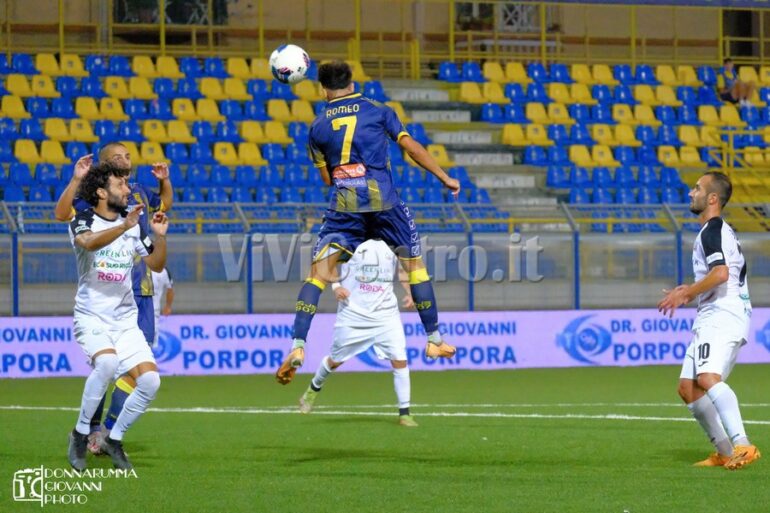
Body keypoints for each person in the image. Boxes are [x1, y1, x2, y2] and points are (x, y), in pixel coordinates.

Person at [275, 61, 461, 385]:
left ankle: (298, 345)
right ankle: (434, 339)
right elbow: (409, 147)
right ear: (352, 82)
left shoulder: (317, 127)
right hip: (385, 203)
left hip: (346, 207)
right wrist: (444, 176)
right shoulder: (379, 111)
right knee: (415, 267)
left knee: (317, 275)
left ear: (322, 88)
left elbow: (327, 179)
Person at [54, 143, 173, 454]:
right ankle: (90, 431)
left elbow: (164, 211)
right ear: (104, 167)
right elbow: (64, 215)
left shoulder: (138, 193)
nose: (126, 160)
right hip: (100, 299)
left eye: (128, 155)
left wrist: (164, 186)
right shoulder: (94, 199)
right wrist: (76, 179)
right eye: (118, 157)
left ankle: (108, 431)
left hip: (139, 292)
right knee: (106, 365)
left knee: (143, 375)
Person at [658, 171, 759, 470]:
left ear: (712, 198)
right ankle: (726, 452)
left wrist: (687, 293)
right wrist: (689, 290)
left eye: (697, 188)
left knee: (707, 378)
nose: (691, 193)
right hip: (713, 314)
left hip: (724, 313)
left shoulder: (712, 231)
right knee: (688, 387)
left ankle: (743, 444)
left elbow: (721, 274)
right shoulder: (715, 231)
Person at [298, 239, 418, 427]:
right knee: (335, 360)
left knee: (399, 358)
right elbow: (329, 264)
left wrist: (411, 292)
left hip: (385, 313)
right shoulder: (351, 239)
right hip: (353, 312)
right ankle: (313, 389)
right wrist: (337, 287)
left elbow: (403, 270)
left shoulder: (392, 241)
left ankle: (405, 413)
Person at [151, 267, 175, 345]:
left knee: (150, 344)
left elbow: (170, 289)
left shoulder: (163, 271)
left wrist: (168, 306)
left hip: (154, 313)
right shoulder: (136, 266)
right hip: (136, 312)